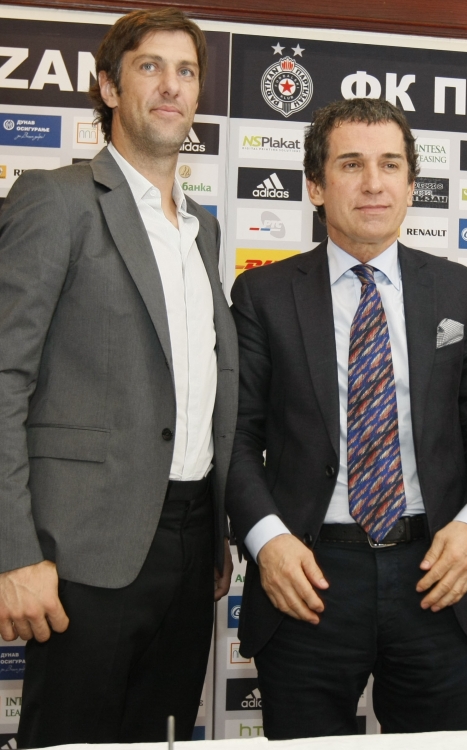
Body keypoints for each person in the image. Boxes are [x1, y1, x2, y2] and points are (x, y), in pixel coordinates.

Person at [226, 97, 467, 738]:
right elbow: (235, 437)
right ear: (316, 186)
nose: (373, 183)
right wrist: (268, 543)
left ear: (411, 184)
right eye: (351, 164)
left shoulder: (459, 290)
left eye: (390, 165)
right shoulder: (263, 295)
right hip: (307, 576)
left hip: (436, 572)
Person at [0, 7, 237, 747]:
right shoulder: (57, 200)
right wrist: (14, 553)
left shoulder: (203, 228)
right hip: (83, 551)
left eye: (186, 71)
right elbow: (4, 377)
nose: (171, 86)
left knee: (162, 739)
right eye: (149, 67)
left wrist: (215, 536)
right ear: (108, 86)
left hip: (193, 547)